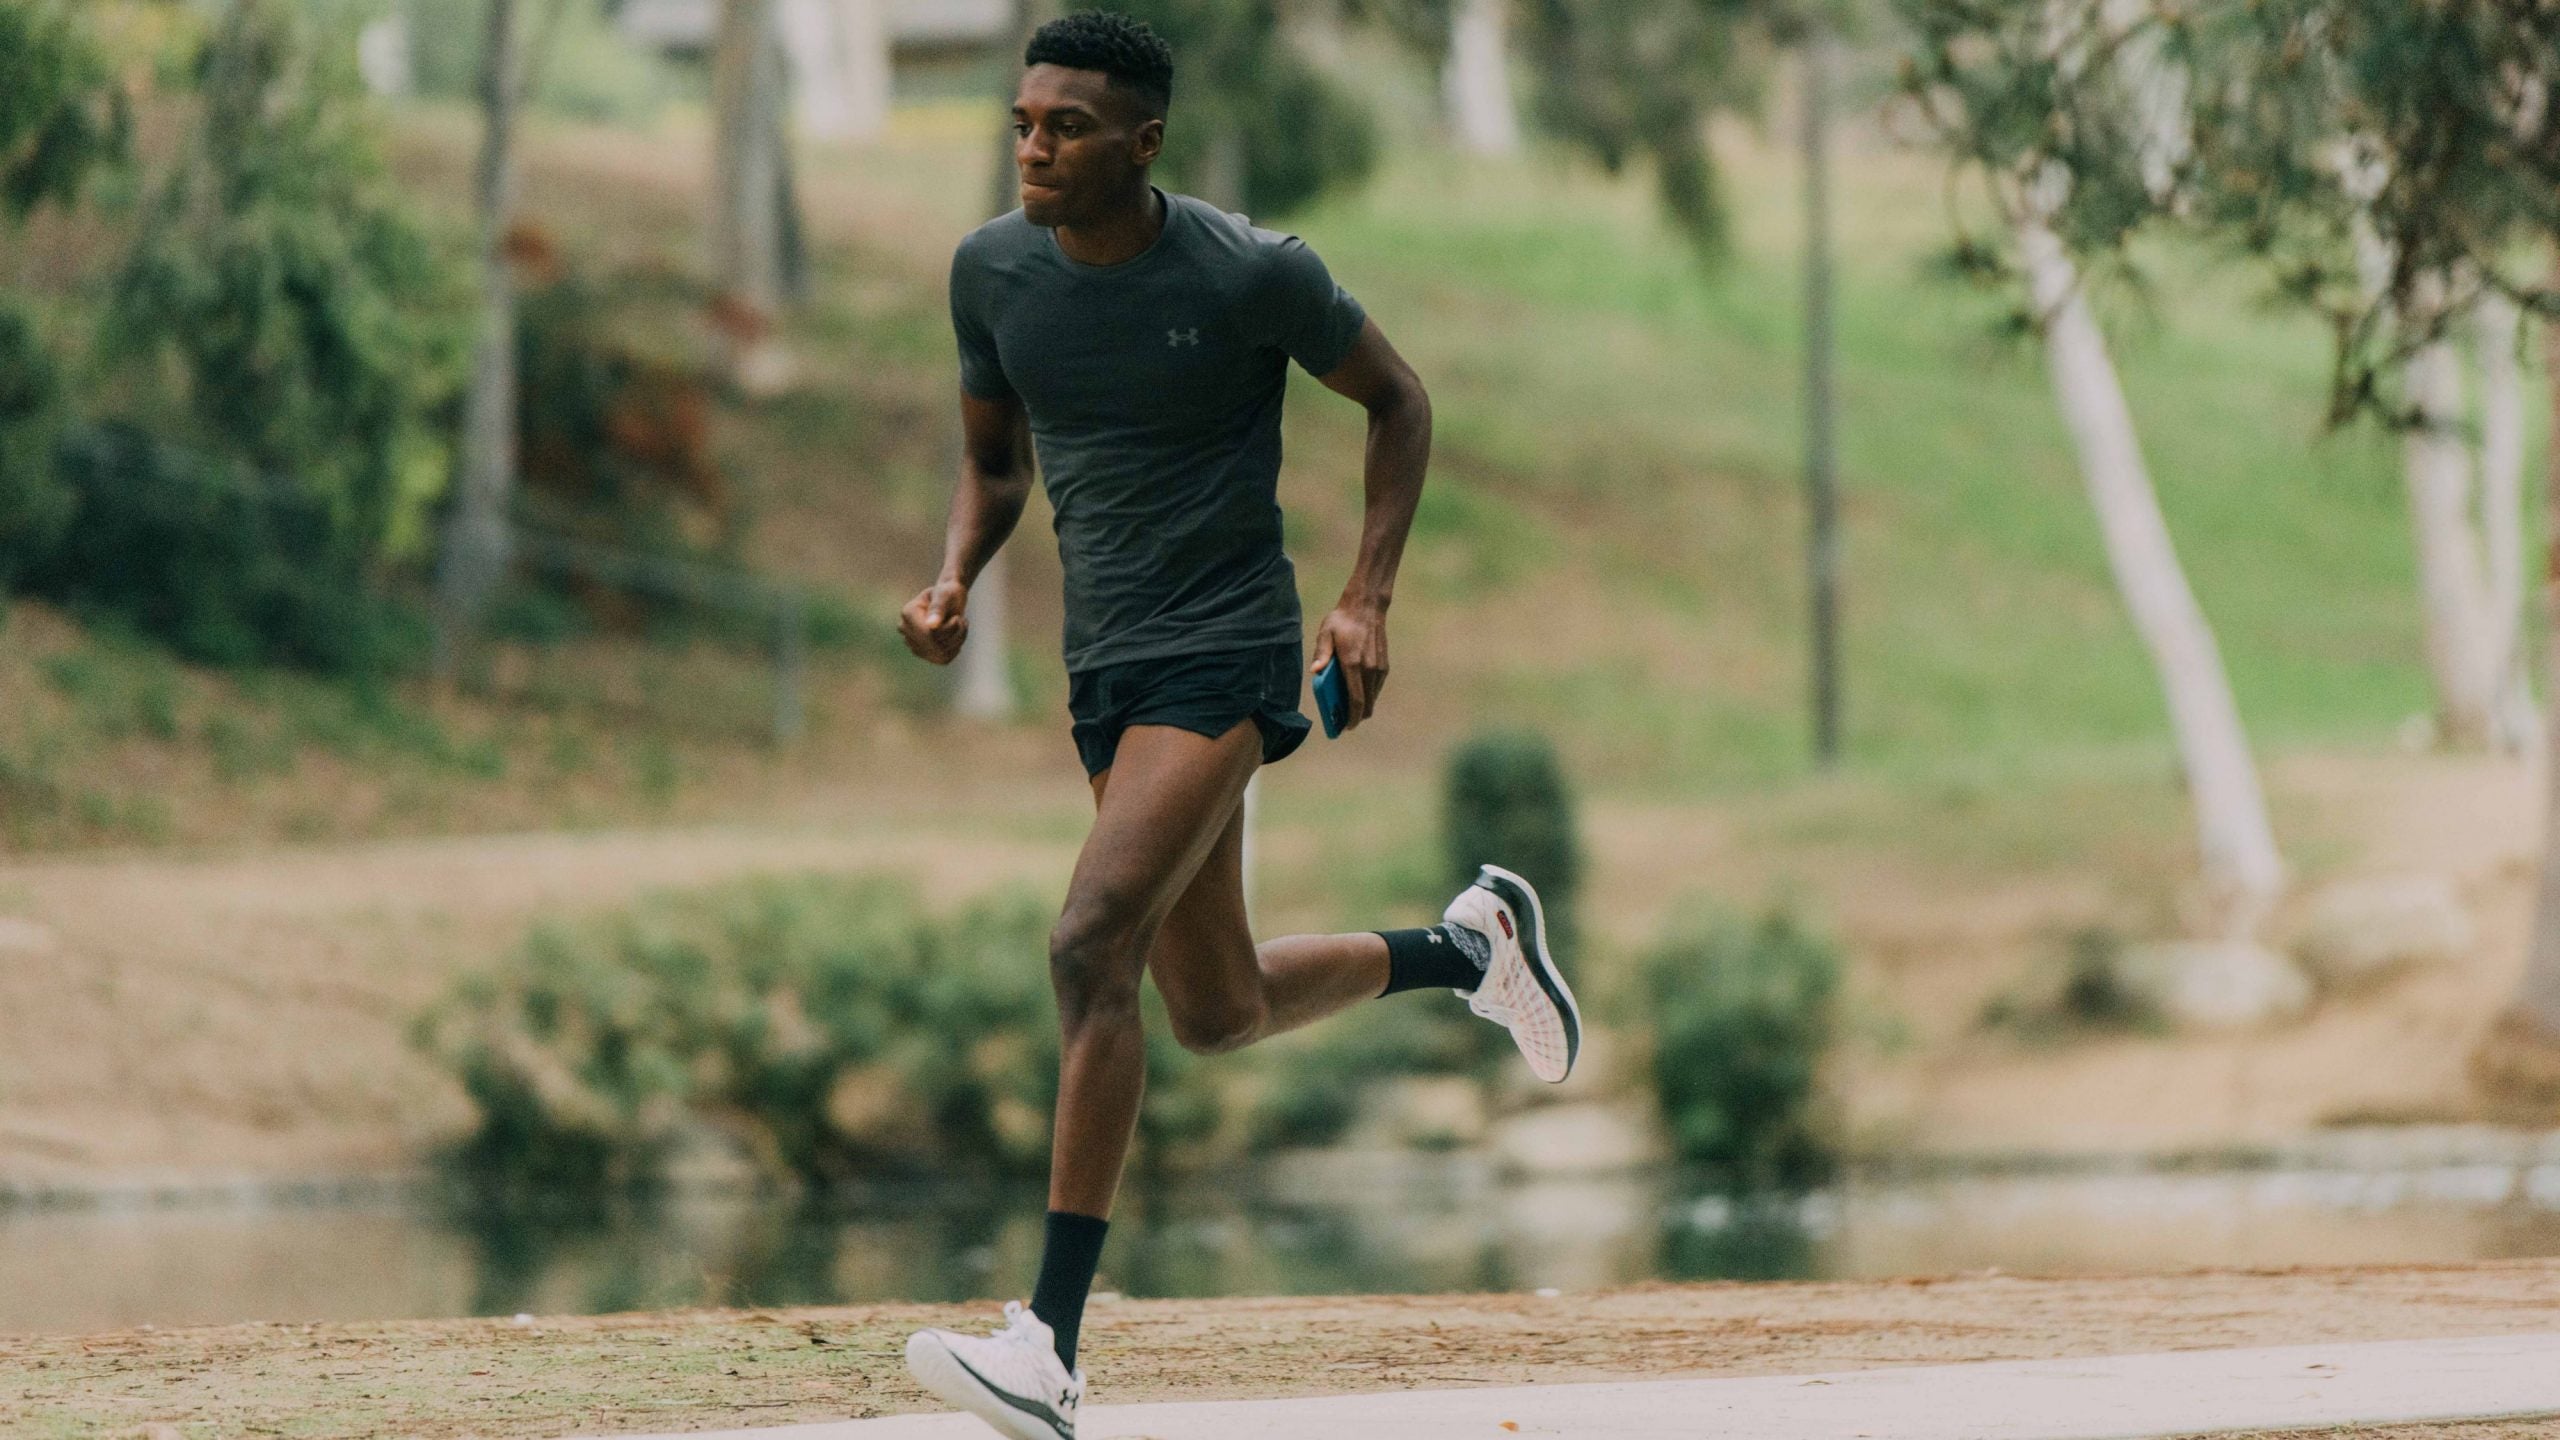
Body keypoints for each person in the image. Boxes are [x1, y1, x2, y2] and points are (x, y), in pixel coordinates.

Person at [895, 12, 1580, 1438]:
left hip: (1225, 657)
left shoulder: (1248, 271)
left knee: (1091, 944)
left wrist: (1365, 596)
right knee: (1213, 1012)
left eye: (1066, 127)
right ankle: (1470, 948)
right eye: (1023, 121)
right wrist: (958, 569)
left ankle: (1048, 1347)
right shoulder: (992, 273)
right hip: (1108, 670)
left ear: (1141, 142)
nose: (1033, 146)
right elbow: (991, 458)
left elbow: (1399, 402)